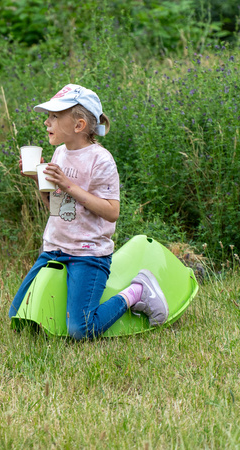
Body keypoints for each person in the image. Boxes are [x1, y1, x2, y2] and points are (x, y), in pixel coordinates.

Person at [9, 84, 169, 339]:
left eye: (54, 116)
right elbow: (57, 208)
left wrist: (68, 185)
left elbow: (111, 211)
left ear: (79, 125)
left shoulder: (101, 160)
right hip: (54, 248)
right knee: (18, 317)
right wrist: (38, 179)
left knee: (80, 330)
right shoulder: (60, 152)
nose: (46, 122)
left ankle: (136, 292)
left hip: (88, 254)